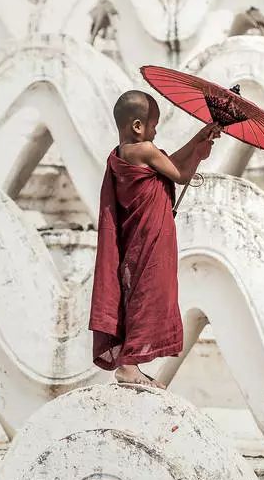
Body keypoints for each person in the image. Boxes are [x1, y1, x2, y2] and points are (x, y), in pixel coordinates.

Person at [89, 89, 220, 388]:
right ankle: (129, 364)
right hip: (150, 237)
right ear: (137, 127)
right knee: (148, 293)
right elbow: (180, 173)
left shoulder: (124, 153)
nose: (155, 131)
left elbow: (167, 162)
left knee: (137, 292)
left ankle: (130, 362)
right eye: (153, 125)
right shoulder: (145, 150)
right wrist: (200, 152)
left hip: (139, 236)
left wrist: (200, 138)